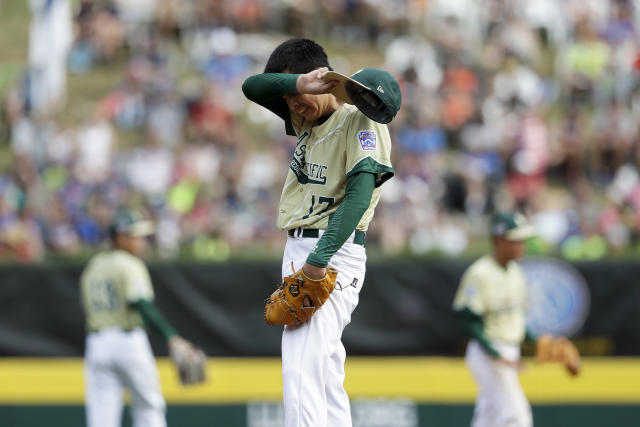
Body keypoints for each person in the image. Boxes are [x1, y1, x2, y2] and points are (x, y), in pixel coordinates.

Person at [242, 38, 401, 427]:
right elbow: (252, 87)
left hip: (330, 253)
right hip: (307, 249)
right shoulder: (306, 116)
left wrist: (317, 261)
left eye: (299, 98)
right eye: (291, 98)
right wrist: (298, 86)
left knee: (301, 371)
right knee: (326, 378)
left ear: (328, 82)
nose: (292, 106)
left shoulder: (358, 119)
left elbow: (360, 196)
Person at [80, 209, 191, 427]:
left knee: (102, 413)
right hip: (128, 341)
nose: (142, 241)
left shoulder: (93, 266)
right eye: (136, 236)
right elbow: (141, 304)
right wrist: (171, 336)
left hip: (97, 342)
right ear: (120, 237)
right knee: (149, 407)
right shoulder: (129, 264)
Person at [452, 211, 536, 427]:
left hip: (508, 349)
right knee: (516, 416)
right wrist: (495, 353)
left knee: (488, 417)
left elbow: (515, 318)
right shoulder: (480, 272)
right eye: (516, 240)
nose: (522, 245)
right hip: (488, 352)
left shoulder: (516, 271)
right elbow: (468, 319)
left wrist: (537, 341)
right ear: (499, 240)